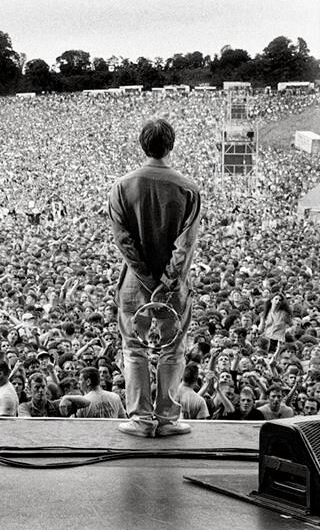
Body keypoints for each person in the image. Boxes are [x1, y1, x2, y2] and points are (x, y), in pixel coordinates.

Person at [108, 118, 201, 438]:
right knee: (173, 350)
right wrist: (168, 281)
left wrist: (146, 278)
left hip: (134, 283)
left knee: (133, 349)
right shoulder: (188, 188)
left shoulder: (122, 186)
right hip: (173, 289)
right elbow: (185, 244)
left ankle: (140, 419)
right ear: (171, 145)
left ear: (142, 145)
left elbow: (124, 242)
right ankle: (168, 418)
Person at [58, 366, 127, 418]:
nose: (79, 383)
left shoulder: (82, 403)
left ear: (88, 382)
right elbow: (123, 419)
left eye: (80, 379)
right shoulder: (115, 397)